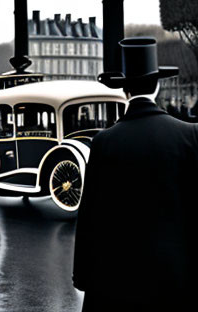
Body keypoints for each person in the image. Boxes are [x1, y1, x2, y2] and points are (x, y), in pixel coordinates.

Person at [73, 37, 198, 312]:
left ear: (125, 90)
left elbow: (90, 216)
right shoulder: (189, 135)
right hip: (175, 274)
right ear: (158, 85)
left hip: (117, 278)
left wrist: (81, 275)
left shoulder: (104, 142)